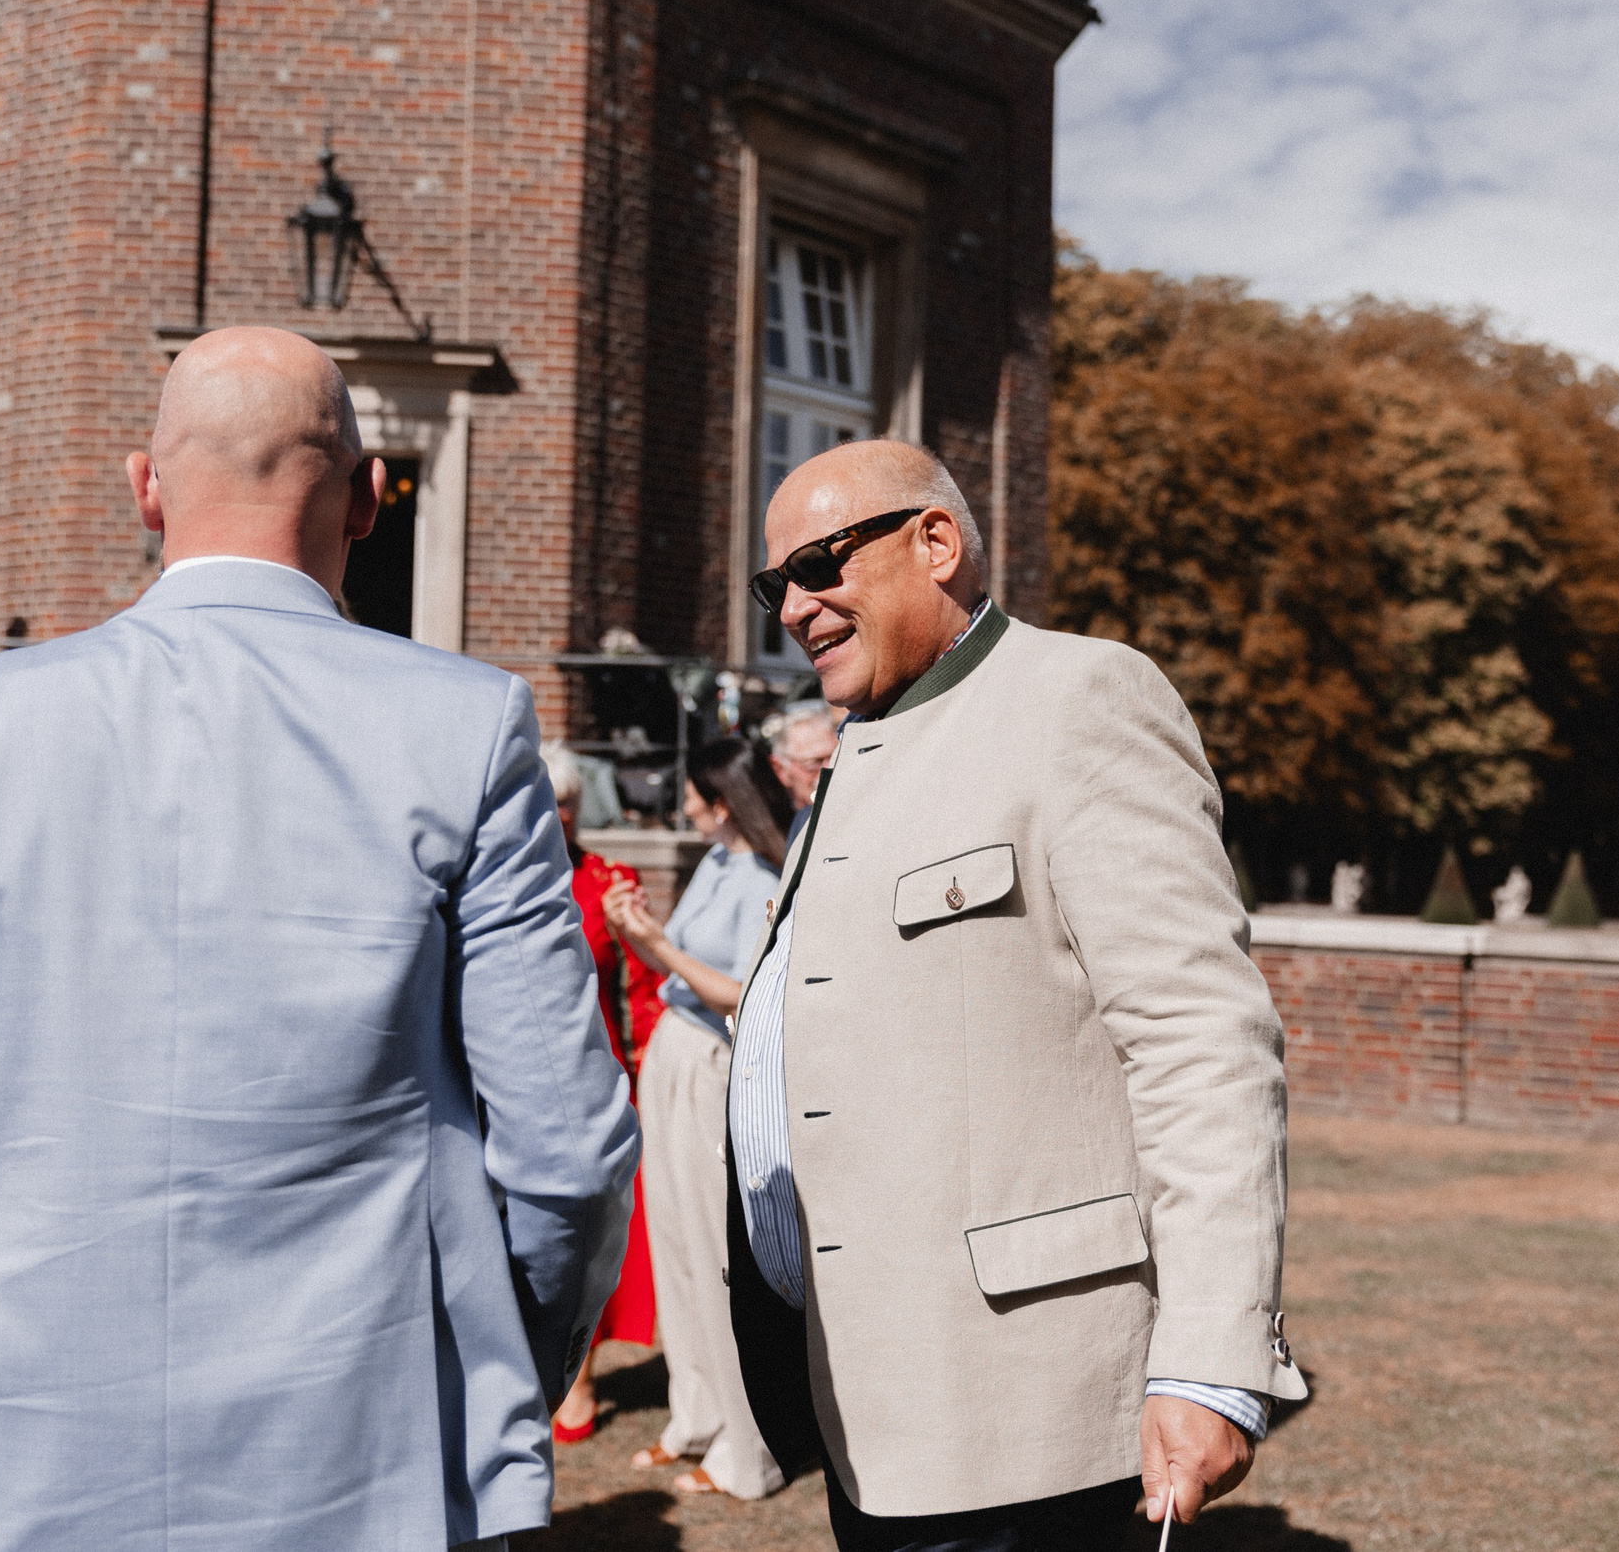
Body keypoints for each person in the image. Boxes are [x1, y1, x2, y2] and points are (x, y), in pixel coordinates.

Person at [0, 327, 637, 1551]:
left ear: (145, 487)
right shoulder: (463, 724)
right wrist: (500, 1368)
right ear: (369, 499)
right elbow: (568, 1146)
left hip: (8, 1441)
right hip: (364, 1447)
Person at [727, 440, 1304, 1552]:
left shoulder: (1081, 698)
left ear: (935, 542)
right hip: (872, 1404)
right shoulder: (859, 750)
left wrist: (1211, 1360)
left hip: (1030, 1416)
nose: (794, 607)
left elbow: (1201, 1044)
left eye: (818, 564)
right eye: (775, 586)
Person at [601, 736, 791, 1500]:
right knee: (674, 1238)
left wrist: (651, 944)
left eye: (692, 795)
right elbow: (678, 956)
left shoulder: (765, 878)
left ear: (722, 800)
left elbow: (742, 991)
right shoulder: (713, 863)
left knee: (712, 1249)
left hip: (714, 1061)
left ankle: (747, 1447)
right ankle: (694, 1415)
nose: (680, 806)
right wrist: (638, 931)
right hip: (670, 1053)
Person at [540, 742, 661, 1443]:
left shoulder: (610, 878)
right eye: (545, 797)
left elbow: (643, 984)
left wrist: (643, 1062)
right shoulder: (495, 874)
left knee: (586, 1227)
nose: (555, 813)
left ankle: (579, 1371)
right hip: (514, 1068)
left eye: (566, 801)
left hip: (596, 1068)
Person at [767, 702, 839, 856]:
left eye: (835, 758)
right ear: (780, 769)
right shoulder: (772, 828)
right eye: (814, 763)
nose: (829, 770)